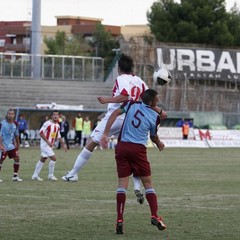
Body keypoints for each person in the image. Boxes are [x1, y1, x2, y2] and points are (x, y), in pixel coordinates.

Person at [62, 53, 167, 204]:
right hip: (132, 119)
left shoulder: (121, 79)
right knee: (132, 151)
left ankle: (73, 173)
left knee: (91, 143)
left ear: (119, 68)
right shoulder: (140, 81)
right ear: (132, 67)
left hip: (117, 116)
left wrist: (107, 100)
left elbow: (125, 96)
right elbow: (147, 101)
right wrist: (160, 111)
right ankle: (137, 185)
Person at [100, 89, 166, 234]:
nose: (158, 100)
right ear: (153, 101)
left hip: (122, 147)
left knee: (122, 184)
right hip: (138, 150)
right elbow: (154, 136)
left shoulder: (131, 104)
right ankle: (154, 215)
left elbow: (115, 113)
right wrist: (159, 143)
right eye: (157, 98)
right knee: (148, 183)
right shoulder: (155, 117)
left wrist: (105, 133)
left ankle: (119, 219)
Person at [32, 110, 67, 181]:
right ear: (51, 116)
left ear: (58, 116)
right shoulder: (47, 123)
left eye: (57, 115)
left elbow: (58, 136)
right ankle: (50, 175)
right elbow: (41, 133)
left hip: (49, 145)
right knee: (54, 158)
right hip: (45, 145)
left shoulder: (57, 125)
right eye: (54, 114)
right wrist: (48, 141)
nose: (55, 116)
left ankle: (35, 175)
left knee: (43, 159)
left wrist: (63, 144)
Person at [0, 108, 23, 182]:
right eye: (9, 114)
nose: (10, 115)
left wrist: (18, 146)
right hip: (3, 145)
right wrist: (1, 145)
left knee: (17, 159)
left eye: (12, 114)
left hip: (11, 146)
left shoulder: (15, 124)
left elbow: (16, 135)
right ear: (7, 114)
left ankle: (15, 177)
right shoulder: (2, 124)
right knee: (0, 161)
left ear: (14, 115)